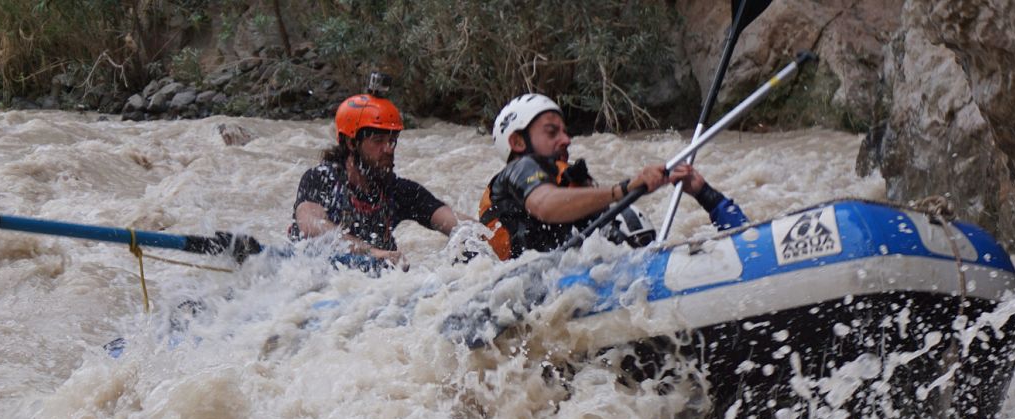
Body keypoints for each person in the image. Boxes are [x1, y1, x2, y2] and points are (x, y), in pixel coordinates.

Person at [479, 93, 749, 259]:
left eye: (564, 131)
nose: (566, 139)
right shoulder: (518, 169)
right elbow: (545, 205)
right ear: (517, 142)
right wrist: (623, 188)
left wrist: (703, 192)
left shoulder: (571, 184)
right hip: (540, 291)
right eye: (552, 132)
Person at [289, 94, 461, 267]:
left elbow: (457, 224)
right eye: (378, 141)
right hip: (316, 274)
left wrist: (482, 231)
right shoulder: (321, 178)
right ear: (351, 143)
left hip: (372, 284)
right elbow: (311, 227)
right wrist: (372, 252)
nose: (388, 149)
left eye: (392, 140)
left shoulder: (397, 190)